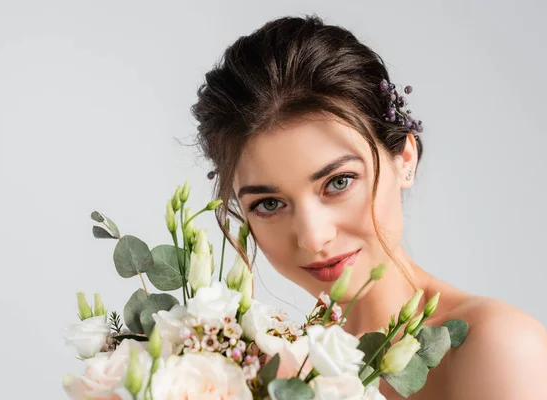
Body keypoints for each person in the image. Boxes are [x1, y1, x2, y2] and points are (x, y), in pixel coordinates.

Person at [190, 15, 547, 399]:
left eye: (338, 182)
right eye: (270, 203)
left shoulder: (497, 348)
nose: (313, 238)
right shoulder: (270, 368)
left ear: (404, 158)